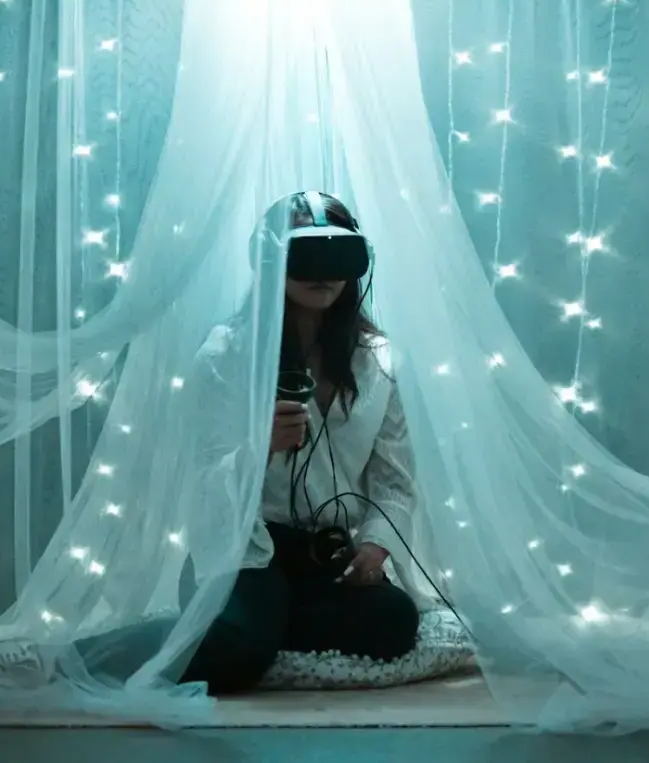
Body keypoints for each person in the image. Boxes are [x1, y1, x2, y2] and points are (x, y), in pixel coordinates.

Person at [73, 192, 422, 695]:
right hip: (245, 549)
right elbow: (202, 483)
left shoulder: (380, 361)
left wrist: (375, 546)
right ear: (269, 259)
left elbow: (395, 477)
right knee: (238, 653)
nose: (321, 271)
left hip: (327, 554)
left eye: (335, 254)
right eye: (303, 255)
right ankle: (87, 654)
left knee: (393, 622)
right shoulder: (224, 355)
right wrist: (258, 448)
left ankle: (257, 625)